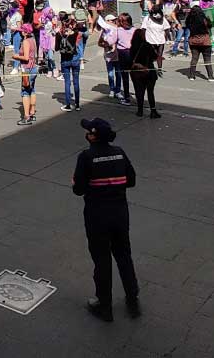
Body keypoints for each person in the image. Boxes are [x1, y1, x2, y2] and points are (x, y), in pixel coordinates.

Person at [72, 117, 139, 322]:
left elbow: (78, 189)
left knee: (101, 259)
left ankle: (104, 304)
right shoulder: (119, 153)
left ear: (92, 136)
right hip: (119, 213)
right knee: (123, 254)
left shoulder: (86, 157)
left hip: (97, 215)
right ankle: (132, 297)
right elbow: (132, 180)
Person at [128, 28, 160, 119]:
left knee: (139, 92)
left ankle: (140, 111)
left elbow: (130, 61)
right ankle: (153, 111)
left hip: (137, 73)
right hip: (149, 71)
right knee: (150, 92)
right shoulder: (148, 45)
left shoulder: (132, 48)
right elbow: (154, 57)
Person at [184, 4, 214, 81]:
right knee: (207, 59)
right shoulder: (205, 19)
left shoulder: (189, 20)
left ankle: (192, 76)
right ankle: (210, 76)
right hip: (205, 41)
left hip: (193, 40)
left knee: (194, 58)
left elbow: (187, 26)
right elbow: (210, 26)